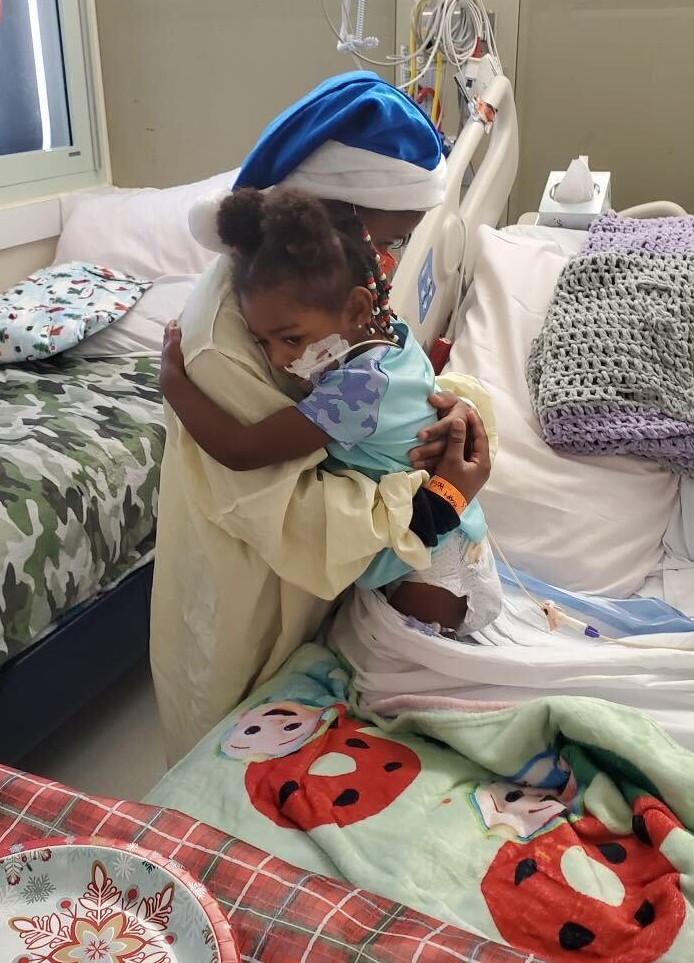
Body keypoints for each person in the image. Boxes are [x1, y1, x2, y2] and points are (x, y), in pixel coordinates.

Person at [151, 71, 497, 765]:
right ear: (327, 219)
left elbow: (399, 379)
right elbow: (284, 493)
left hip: (392, 570)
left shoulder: (333, 308)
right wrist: (442, 498)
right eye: (386, 237)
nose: (389, 260)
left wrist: (458, 411)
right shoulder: (241, 338)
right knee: (229, 758)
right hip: (260, 603)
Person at [161, 188, 501, 636]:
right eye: (263, 343)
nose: (279, 360)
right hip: (447, 540)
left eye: (292, 339)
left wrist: (172, 383)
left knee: (385, 673)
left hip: (435, 573)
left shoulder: (356, 393)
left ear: (356, 308)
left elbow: (241, 450)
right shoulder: (389, 338)